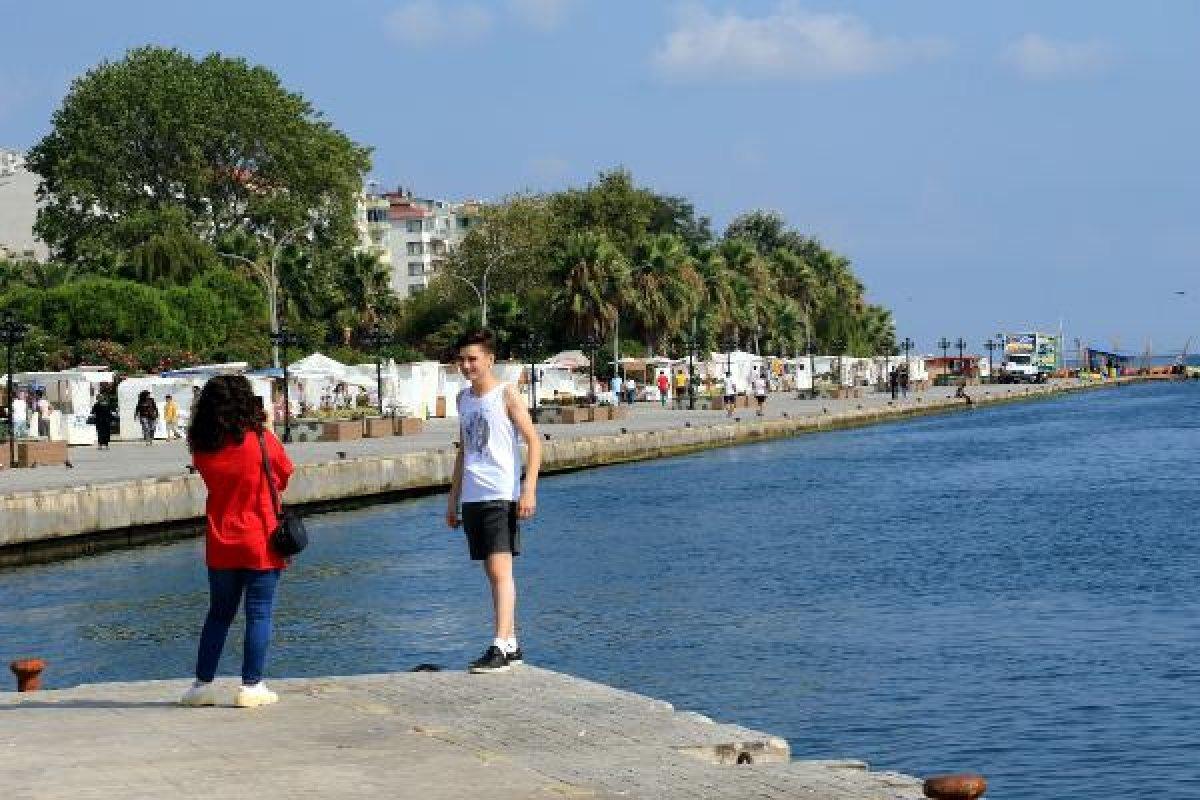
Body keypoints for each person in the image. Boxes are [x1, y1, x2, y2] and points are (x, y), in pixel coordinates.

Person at [181, 375, 294, 708]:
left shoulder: (202, 446)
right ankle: (251, 686)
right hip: (260, 538)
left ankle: (201, 686)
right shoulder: (260, 440)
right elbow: (283, 475)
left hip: (221, 539)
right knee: (258, 614)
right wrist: (269, 429)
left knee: (218, 615)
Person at [446, 330, 542, 674]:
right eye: (461, 359)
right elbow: (464, 450)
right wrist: (453, 499)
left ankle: (499, 645)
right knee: (491, 572)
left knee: (502, 571)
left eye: (473, 359)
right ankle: (511, 642)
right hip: (474, 495)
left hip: (501, 494)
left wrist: (528, 489)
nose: (466, 365)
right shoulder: (462, 399)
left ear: (490, 359)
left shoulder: (506, 393)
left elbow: (534, 441)